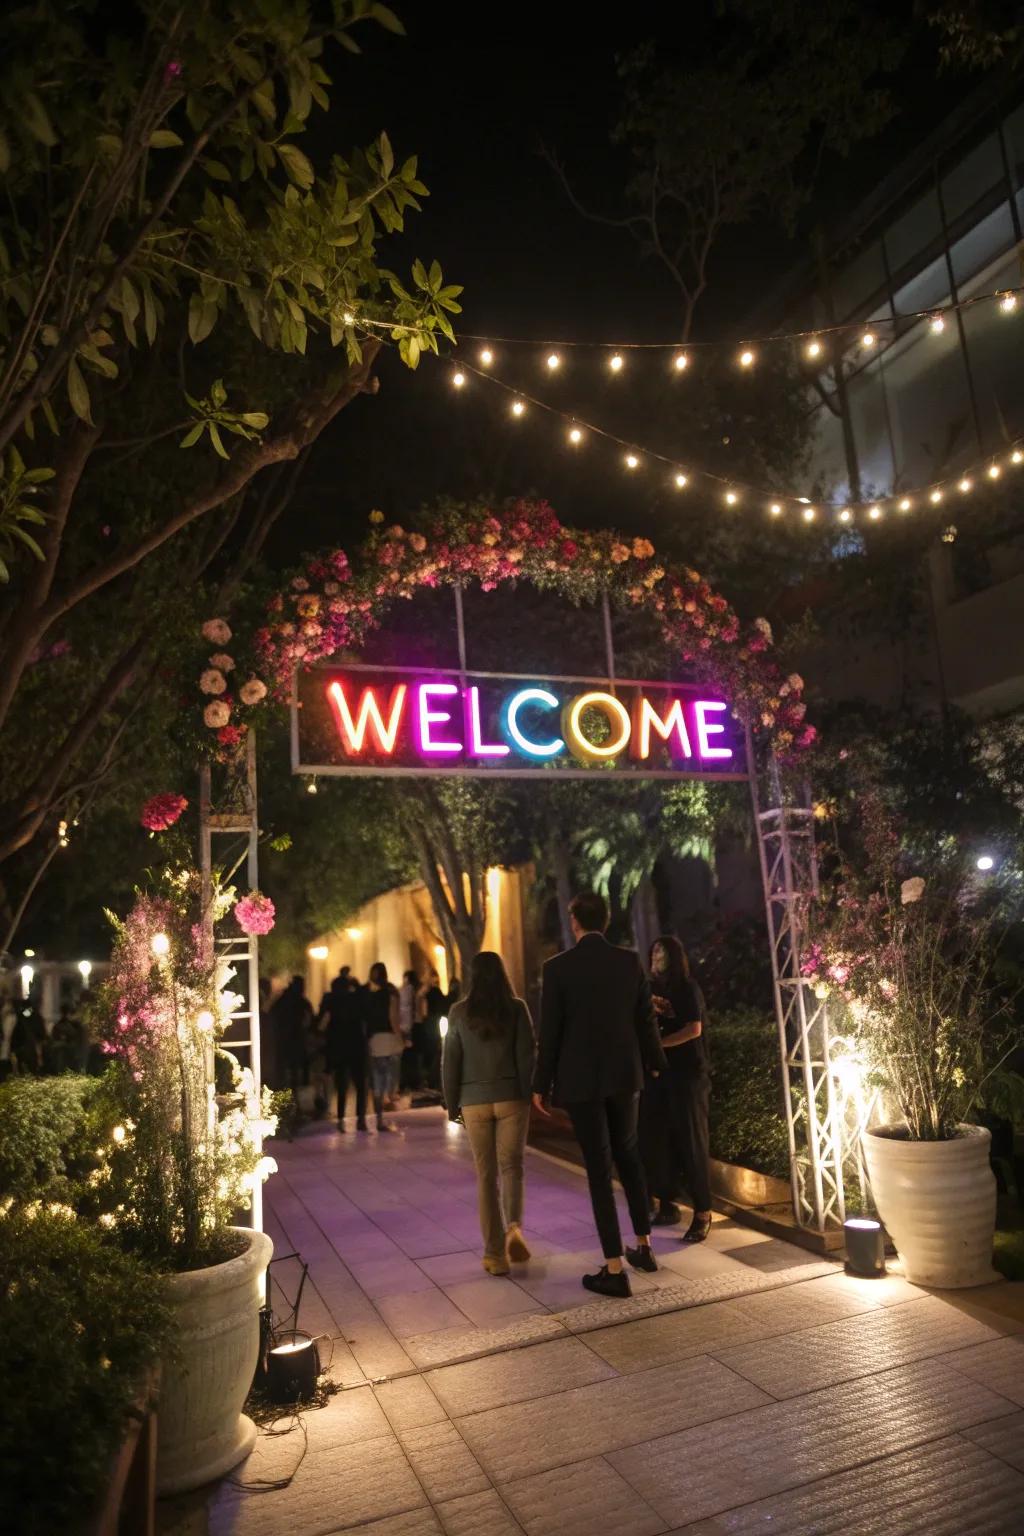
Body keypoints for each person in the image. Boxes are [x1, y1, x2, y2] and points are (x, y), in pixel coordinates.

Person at [533, 891, 667, 1298]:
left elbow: (551, 1031)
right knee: (629, 1156)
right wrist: (655, 1061)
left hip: (582, 1081)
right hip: (626, 1076)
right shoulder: (629, 962)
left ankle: (613, 1267)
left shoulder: (558, 969)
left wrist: (541, 1084)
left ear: (575, 923)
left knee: (598, 1168)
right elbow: (644, 1018)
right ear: (605, 922)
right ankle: (643, 1246)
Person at [443, 952, 536, 1275]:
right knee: (513, 1167)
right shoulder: (517, 1009)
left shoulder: (458, 1013)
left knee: (486, 1175)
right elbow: (527, 1056)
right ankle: (514, 1228)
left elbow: (450, 1063)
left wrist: (452, 1103)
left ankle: (494, 1255)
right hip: (511, 1097)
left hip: (474, 1100)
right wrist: (528, 1095)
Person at [641, 935, 713, 1243]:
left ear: (674, 956)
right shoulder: (649, 988)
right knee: (657, 1142)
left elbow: (693, 1029)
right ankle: (667, 1202)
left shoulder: (687, 988)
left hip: (687, 1076)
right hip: (659, 1076)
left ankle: (703, 1212)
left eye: (662, 951)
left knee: (692, 1142)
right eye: (653, 950)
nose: (656, 955)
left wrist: (659, 1046)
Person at [319, 973, 368, 1131]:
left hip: (338, 1046)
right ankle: (361, 1119)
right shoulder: (356, 999)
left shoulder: (331, 1001)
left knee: (341, 1085)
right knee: (360, 1084)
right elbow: (363, 1019)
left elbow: (323, 1023)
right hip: (356, 1045)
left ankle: (341, 1120)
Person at [364, 962, 404, 1132]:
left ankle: (379, 1118)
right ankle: (389, 1103)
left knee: (377, 1080)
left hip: (374, 1040)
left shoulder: (369, 996)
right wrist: (400, 1038)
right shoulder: (391, 994)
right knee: (389, 1076)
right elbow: (393, 1017)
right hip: (388, 1039)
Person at [271, 977, 313, 1107]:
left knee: (285, 1074)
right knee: (299, 1073)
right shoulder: (301, 1002)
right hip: (297, 1041)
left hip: (284, 1042)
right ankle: (300, 1104)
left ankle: (286, 1103)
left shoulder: (283, 1000)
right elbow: (311, 1019)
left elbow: (273, 1015)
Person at [417, 968, 447, 1090]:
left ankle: (430, 1079)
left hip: (429, 1022)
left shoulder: (427, 993)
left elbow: (422, 1008)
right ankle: (434, 1079)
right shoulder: (436, 991)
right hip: (435, 1021)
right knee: (435, 1049)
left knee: (430, 1051)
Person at [398, 969, 419, 1091]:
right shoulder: (413, 990)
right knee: (411, 1056)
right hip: (412, 1025)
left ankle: (406, 1082)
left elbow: (403, 1008)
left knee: (406, 1056)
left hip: (406, 1025)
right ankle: (413, 1081)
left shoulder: (406, 990)